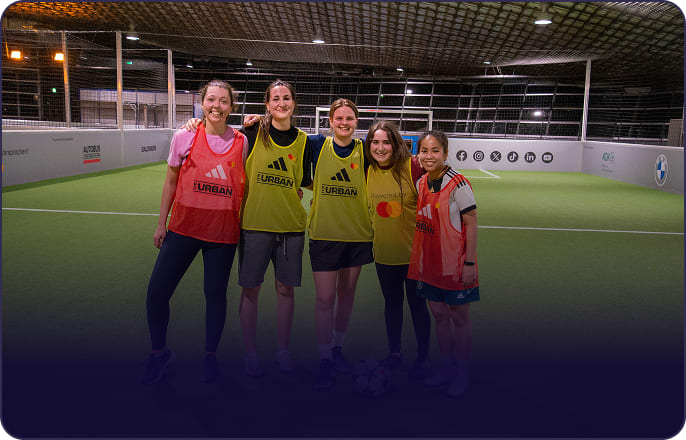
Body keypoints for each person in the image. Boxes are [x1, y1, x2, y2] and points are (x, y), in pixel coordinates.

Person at [185, 79, 312, 377]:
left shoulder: (305, 141)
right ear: (266, 104)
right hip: (254, 225)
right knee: (250, 290)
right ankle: (251, 354)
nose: (281, 103)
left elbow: (302, 183)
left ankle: (282, 351)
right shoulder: (251, 133)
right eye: (275, 99)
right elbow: (218, 131)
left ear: (294, 103)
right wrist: (195, 122)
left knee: (285, 290)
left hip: (291, 228)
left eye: (286, 98)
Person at [143, 80, 248, 384]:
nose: (217, 106)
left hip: (222, 233)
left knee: (215, 296)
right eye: (211, 99)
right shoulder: (184, 136)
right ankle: (159, 353)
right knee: (156, 294)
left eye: (224, 101)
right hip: (183, 229)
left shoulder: (242, 142)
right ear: (202, 103)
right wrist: (161, 223)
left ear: (232, 107)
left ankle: (210, 357)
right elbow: (170, 182)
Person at [307, 99, 374, 388]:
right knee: (325, 298)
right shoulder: (316, 145)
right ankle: (324, 357)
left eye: (349, 118)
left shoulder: (366, 150)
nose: (344, 123)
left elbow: (394, 156)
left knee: (346, 294)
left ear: (356, 122)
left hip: (357, 236)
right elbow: (280, 137)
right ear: (330, 121)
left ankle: (337, 348)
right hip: (324, 234)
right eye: (339, 118)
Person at [408, 130, 479, 397]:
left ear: (445, 153)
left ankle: (462, 372)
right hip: (429, 264)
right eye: (424, 151)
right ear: (418, 154)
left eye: (435, 150)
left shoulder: (459, 184)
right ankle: (447, 368)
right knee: (439, 315)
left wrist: (470, 262)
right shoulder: (421, 183)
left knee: (459, 318)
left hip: (455, 264)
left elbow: (471, 223)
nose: (429, 156)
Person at [363, 120, 431, 379]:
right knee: (392, 305)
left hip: (415, 256)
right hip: (384, 255)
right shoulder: (367, 170)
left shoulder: (413, 167)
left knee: (418, 306)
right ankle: (395, 354)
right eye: (375, 143)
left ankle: (423, 358)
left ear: (395, 144)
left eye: (386, 142)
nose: (380, 148)